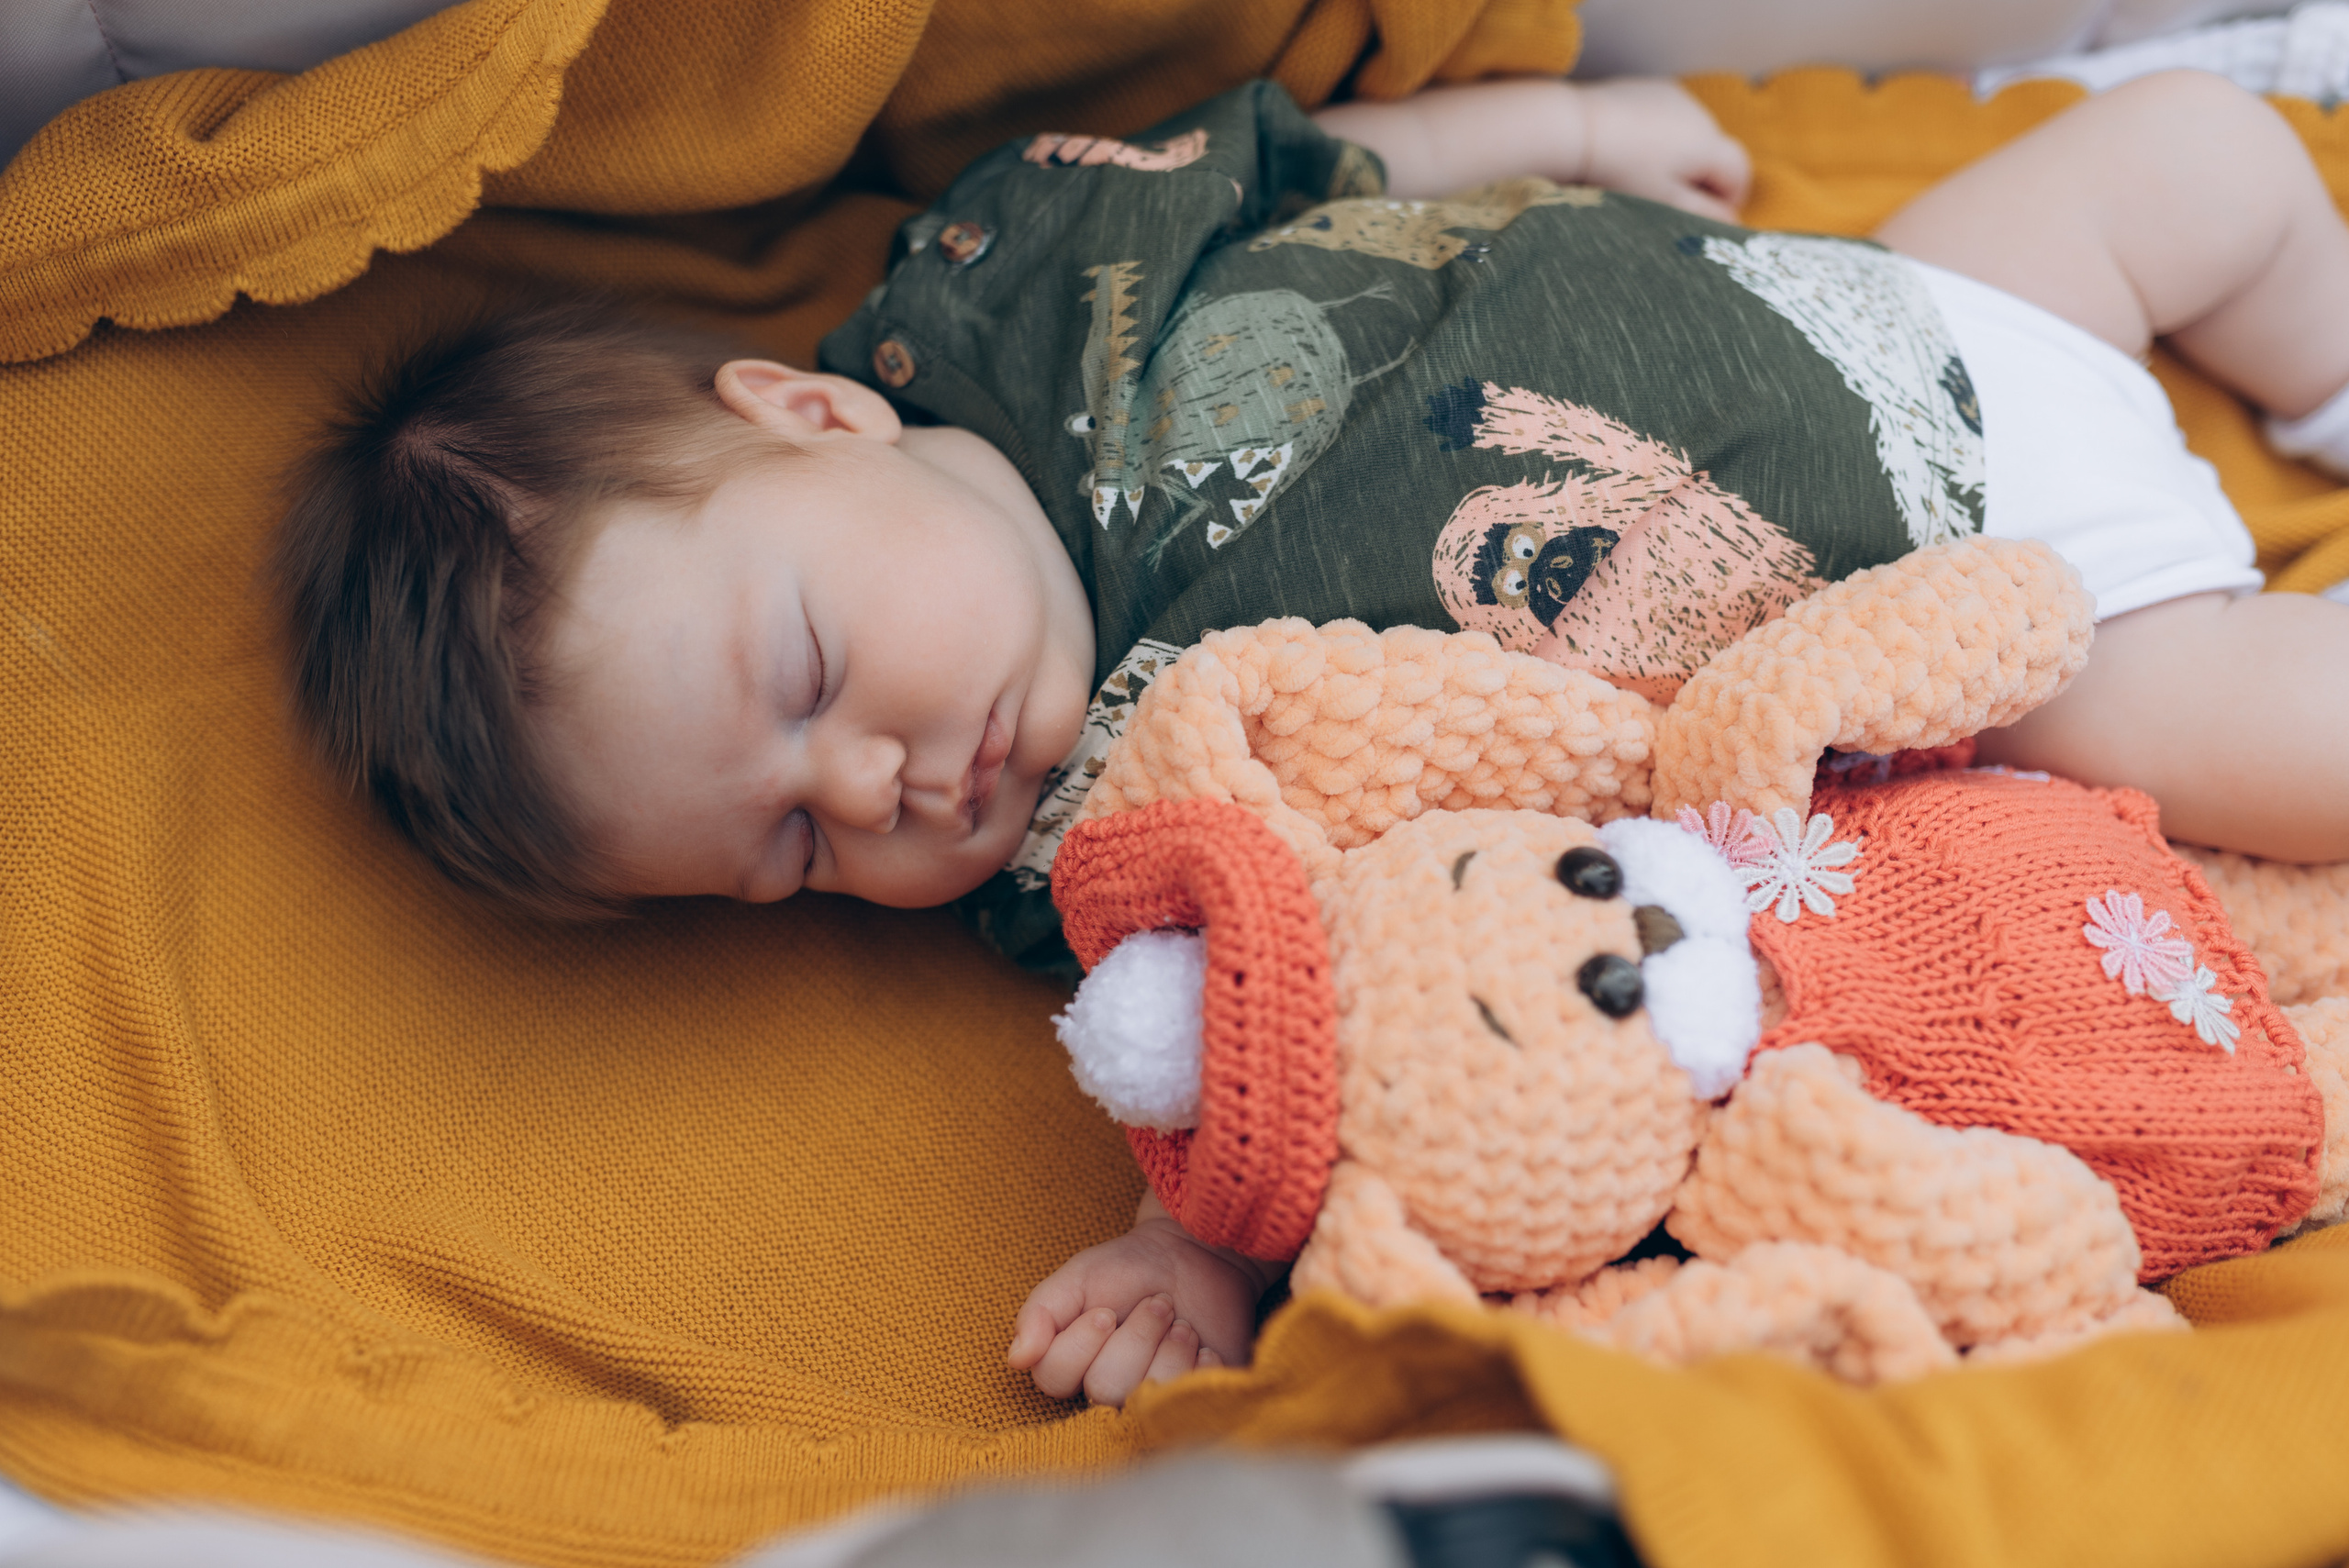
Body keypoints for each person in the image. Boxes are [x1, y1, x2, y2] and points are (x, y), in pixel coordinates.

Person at [272, 68, 2349, 1409]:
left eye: (807, 680)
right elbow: (1304, 1018)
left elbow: (1303, 165)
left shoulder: (1006, 277)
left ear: (812, 418)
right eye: (787, 852)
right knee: (2283, 744)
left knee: (2199, 153)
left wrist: (1575, 128)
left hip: (1879, 310)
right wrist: (1189, 1255)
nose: (870, 787)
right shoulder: (1109, 836)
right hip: (1966, 599)